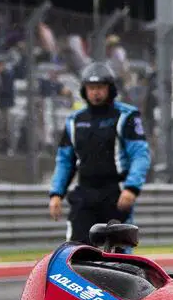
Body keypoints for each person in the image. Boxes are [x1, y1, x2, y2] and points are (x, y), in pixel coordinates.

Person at [48, 61, 151, 244]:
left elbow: (140, 155)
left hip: (116, 193)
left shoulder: (126, 116)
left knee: (118, 253)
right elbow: (65, 160)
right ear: (84, 90)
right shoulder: (74, 121)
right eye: (91, 87)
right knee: (76, 250)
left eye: (100, 87)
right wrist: (56, 193)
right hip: (85, 194)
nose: (96, 92)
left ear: (109, 89)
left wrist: (131, 188)